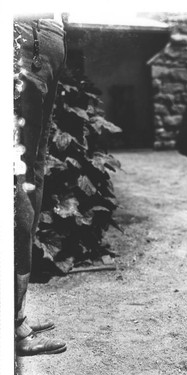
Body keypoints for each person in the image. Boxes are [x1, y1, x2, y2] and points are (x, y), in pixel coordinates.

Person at [14, 14, 67, 356]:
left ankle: (14, 313)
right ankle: (14, 329)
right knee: (15, 180)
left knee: (33, 176)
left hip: (46, 37)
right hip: (24, 32)